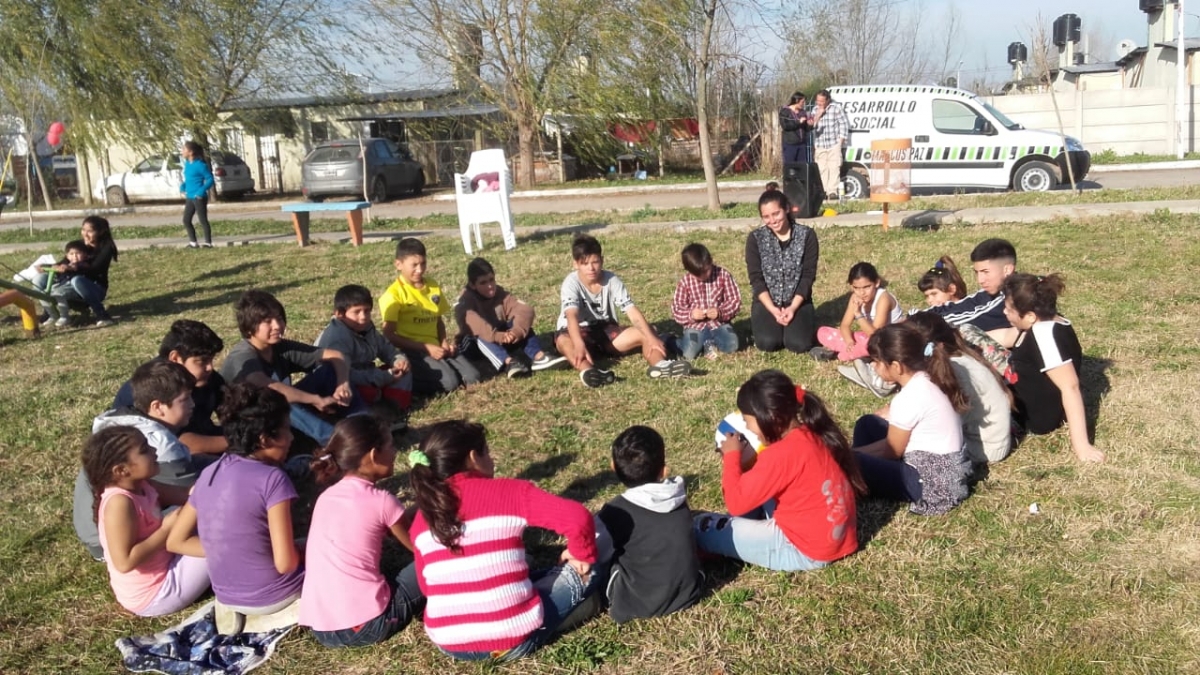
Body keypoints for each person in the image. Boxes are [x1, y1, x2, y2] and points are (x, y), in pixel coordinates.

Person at [408, 420, 601, 661]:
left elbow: (427, 587)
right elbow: (578, 518)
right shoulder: (510, 492)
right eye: (487, 452)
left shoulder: (420, 518)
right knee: (593, 568)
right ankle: (575, 610)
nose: (492, 460)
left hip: (449, 644)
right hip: (510, 640)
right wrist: (581, 554)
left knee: (533, 575)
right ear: (473, 458)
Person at [693, 370, 864, 571]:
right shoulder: (810, 433)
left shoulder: (780, 455)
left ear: (770, 417)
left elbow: (736, 502)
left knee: (699, 527)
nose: (750, 430)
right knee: (755, 490)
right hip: (838, 538)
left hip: (804, 550)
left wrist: (731, 457)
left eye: (748, 422)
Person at [167, 384, 305, 614]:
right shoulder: (273, 479)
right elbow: (285, 563)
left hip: (226, 596)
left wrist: (232, 550)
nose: (291, 437)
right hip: (273, 596)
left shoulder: (209, 474)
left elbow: (176, 542)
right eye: (286, 430)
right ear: (264, 439)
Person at [300, 417, 425, 647]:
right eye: (390, 446)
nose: (396, 451)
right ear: (373, 455)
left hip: (321, 628)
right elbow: (421, 547)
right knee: (436, 563)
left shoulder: (325, 497)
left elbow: (391, 521)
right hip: (366, 626)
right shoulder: (382, 501)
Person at [74, 360, 200, 560]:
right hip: (112, 544)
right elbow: (189, 499)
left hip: (93, 535)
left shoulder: (122, 423)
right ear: (157, 407)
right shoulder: (158, 444)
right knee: (195, 517)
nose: (193, 404)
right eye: (185, 399)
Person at [83, 426, 210, 616]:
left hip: (170, 562)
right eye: (144, 450)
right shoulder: (119, 504)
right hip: (156, 594)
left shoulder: (143, 484)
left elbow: (185, 495)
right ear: (121, 470)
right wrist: (166, 529)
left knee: (216, 524)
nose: (154, 451)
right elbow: (124, 562)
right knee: (224, 543)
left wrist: (219, 482)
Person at [851, 324, 971, 515]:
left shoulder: (909, 397)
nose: (873, 366)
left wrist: (851, 457)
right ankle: (860, 477)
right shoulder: (930, 379)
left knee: (855, 463)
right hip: (942, 468)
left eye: (876, 361)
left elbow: (891, 451)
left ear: (896, 366)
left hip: (931, 483)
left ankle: (857, 480)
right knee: (867, 424)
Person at [220, 289, 365, 445]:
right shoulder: (242, 355)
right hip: (249, 421)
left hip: (281, 409)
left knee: (328, 371)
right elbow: (267, 386)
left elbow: (336, 355)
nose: (277, 326)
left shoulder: (280, 347)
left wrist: (342, 384)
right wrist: (314, 400)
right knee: (278, 400)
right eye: (267, 321)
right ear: (249, 327)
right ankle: (338, 443)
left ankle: (364, 425)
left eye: (279, 318)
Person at [554, 233, 691, 387]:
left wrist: (651, 336)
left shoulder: (611, 279)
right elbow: (571, 315)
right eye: (585, 263)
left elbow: (631, 310)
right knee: (563, 341)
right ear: (575, 264)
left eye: (595, 262)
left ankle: (661, 366)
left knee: (648, 331)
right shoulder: (571, 283)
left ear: (602, 260)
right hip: (576, 331)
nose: (591, 268)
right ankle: (590, 373)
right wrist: (579, 343)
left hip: (605, 330)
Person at [596, 425, 702, 623]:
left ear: (613, 466)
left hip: (637, 604)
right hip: (688, 594)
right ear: (664, 470)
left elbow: (594, 551)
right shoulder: (677, 498)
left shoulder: (616, 511)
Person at [1002, 273, 1104, 463]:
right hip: (1026, 396)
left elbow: (1070, 387)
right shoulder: (1056, 321)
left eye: (1009, 309)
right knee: (968, 336)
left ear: (1031, 316)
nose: (1004, 313)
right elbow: (1008, 336)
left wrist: (1082, 446)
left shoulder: (1044, 336)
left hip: (1029, 416)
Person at [906, 313, 1012, 471]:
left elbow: (943, 422)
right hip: (990, 439)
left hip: (984, 448)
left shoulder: (954, 371)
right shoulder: (958, 359)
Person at [380, 238, 482, 395]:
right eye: (414, 265)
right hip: (412, 350)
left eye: (423, 264)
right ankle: (403, 380)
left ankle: (445, 369)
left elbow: (438, 320)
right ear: (398, 264)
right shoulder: (393, 295)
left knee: (474, 377)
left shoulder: (432, 285)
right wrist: (426, 348)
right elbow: (389, 335)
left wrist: (443, 342)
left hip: (435, 346)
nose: (420, 269)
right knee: (450, 383)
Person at [112, 319, 228, 455]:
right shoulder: (152, 387)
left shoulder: (206, 377)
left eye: (211, 359)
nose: (210, 367)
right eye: (202, 361)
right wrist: (241, 443)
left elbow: (232, 410)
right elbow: (180, 444)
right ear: (175, 358)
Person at [454, 257, 567, 378]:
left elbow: (524, 309)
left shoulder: (500, 294)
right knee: (479, 334)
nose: (490, 286)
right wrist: (498, 336)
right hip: (473, 346)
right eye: (483, 283)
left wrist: (516, 331)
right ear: (472, 285)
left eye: (491, 280)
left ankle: (539, 357)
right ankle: (509, 363)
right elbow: (472, 322)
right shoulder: (465, 299)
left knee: (520, 322)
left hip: (500, 338)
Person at [315, 284, 413, 417]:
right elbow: (345, 375)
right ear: (339, 314)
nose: (363, 316)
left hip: (369, 375)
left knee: (404, 371)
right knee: (366, 392)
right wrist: (383, 377)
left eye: (367, 311)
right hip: (342, 384)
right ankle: (371, 413)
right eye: (357, 312)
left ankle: (394, 409)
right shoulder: (337, 338)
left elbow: (385, 348)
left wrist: (399, 360)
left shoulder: (366, 327)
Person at [745, 190, 819, 354]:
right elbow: (756, 279)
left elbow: (808, 276)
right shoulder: (755, 239)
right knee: (767, 343)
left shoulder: (807, 235)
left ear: (786, 209)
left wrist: (793, 307)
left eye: (776, 213)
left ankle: (799, 321)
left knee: (798, 344)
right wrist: (772, 308)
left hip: (797, 300)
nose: (772, 220)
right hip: (768, 300)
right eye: (766, 216)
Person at [32, 215, 118, 326]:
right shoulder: (79, 245)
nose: (85, 234)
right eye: (83, 230)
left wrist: (74, 268)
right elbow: (64, 261)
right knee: (39, 279)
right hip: (69, 283)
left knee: (77, 280)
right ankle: (50, 312)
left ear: (101, 232)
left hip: (94, 287)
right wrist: (47, 266)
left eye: (90, 231)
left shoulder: (106, 248)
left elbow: (95, 269)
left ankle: (102, 315)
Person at [815, 262, 901, 362]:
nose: (862, 293)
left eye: (867, 287)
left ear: (877, 283)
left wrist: (858, 314)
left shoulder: (883, 299)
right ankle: (855, 352)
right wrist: (849, 341)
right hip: (867, 337)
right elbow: (845, 325)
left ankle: (837, 354)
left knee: (870, 343)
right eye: (856, 288)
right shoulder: (855, 297)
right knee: (823, 331)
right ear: (852, 286)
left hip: (888, 340)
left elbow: (876, 335)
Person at [670, 243, 742, 361]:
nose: (703, 276)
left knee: (732, 344)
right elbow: (677, 309)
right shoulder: (685, 282)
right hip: (695, 327)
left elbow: (734, 300)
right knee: (688, 353)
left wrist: (720, 312)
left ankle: (709, 342)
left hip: (718, 324)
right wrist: (691, 315)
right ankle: (672, 341)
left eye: (706, 271)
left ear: (711, 261)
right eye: (698, 275)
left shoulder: (723, 275)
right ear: (689, 271)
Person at [38, 239, 90, 327]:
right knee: (43, 295)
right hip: (61, 286)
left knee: (58, 293)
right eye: (72, 254)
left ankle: (65, 317)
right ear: (67, 255)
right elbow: (56, 265)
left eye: (78, 253)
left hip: (74, 288)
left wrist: (68, 267)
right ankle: (53, 315)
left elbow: (75, 267)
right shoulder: (65, 262)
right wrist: (44, 267)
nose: (75, 256)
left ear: (85, 255)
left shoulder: (84, 264)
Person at [810, 89, 850, 201]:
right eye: (817, 100)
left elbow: (843, 124)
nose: (819, 103)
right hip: (820, 143)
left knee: (834, 168)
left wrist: (840, 141)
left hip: (833, 143)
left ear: (827, 100)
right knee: (822, 169)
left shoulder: (836, 108)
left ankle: (832, 191)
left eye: (821, 101)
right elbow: (811, 126)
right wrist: (818, 114)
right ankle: (823, 191)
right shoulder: (815, 110)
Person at [180, 141, 215, 248]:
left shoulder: (200, 165)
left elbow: (210, 180)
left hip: (199, 197)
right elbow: (189, 179)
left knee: (202, 220)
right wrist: (183, 186)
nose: (182, 152)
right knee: (186, 220)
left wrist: (201, 191)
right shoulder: (187, 164)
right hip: (190, 197)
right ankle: (193, 243)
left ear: (190, 152)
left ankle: (208, 243)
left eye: (183, 149)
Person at [779, 92, 811, 164]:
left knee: (802, 166)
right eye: (802, 102)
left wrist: (810, 125)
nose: (804, 104)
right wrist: (798, 122)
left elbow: (806, 128)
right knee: (790, 167)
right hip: (790, 144)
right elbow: (785, 126)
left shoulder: (802, 112)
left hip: (801, 144)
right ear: (797, 101)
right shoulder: (785, 112)